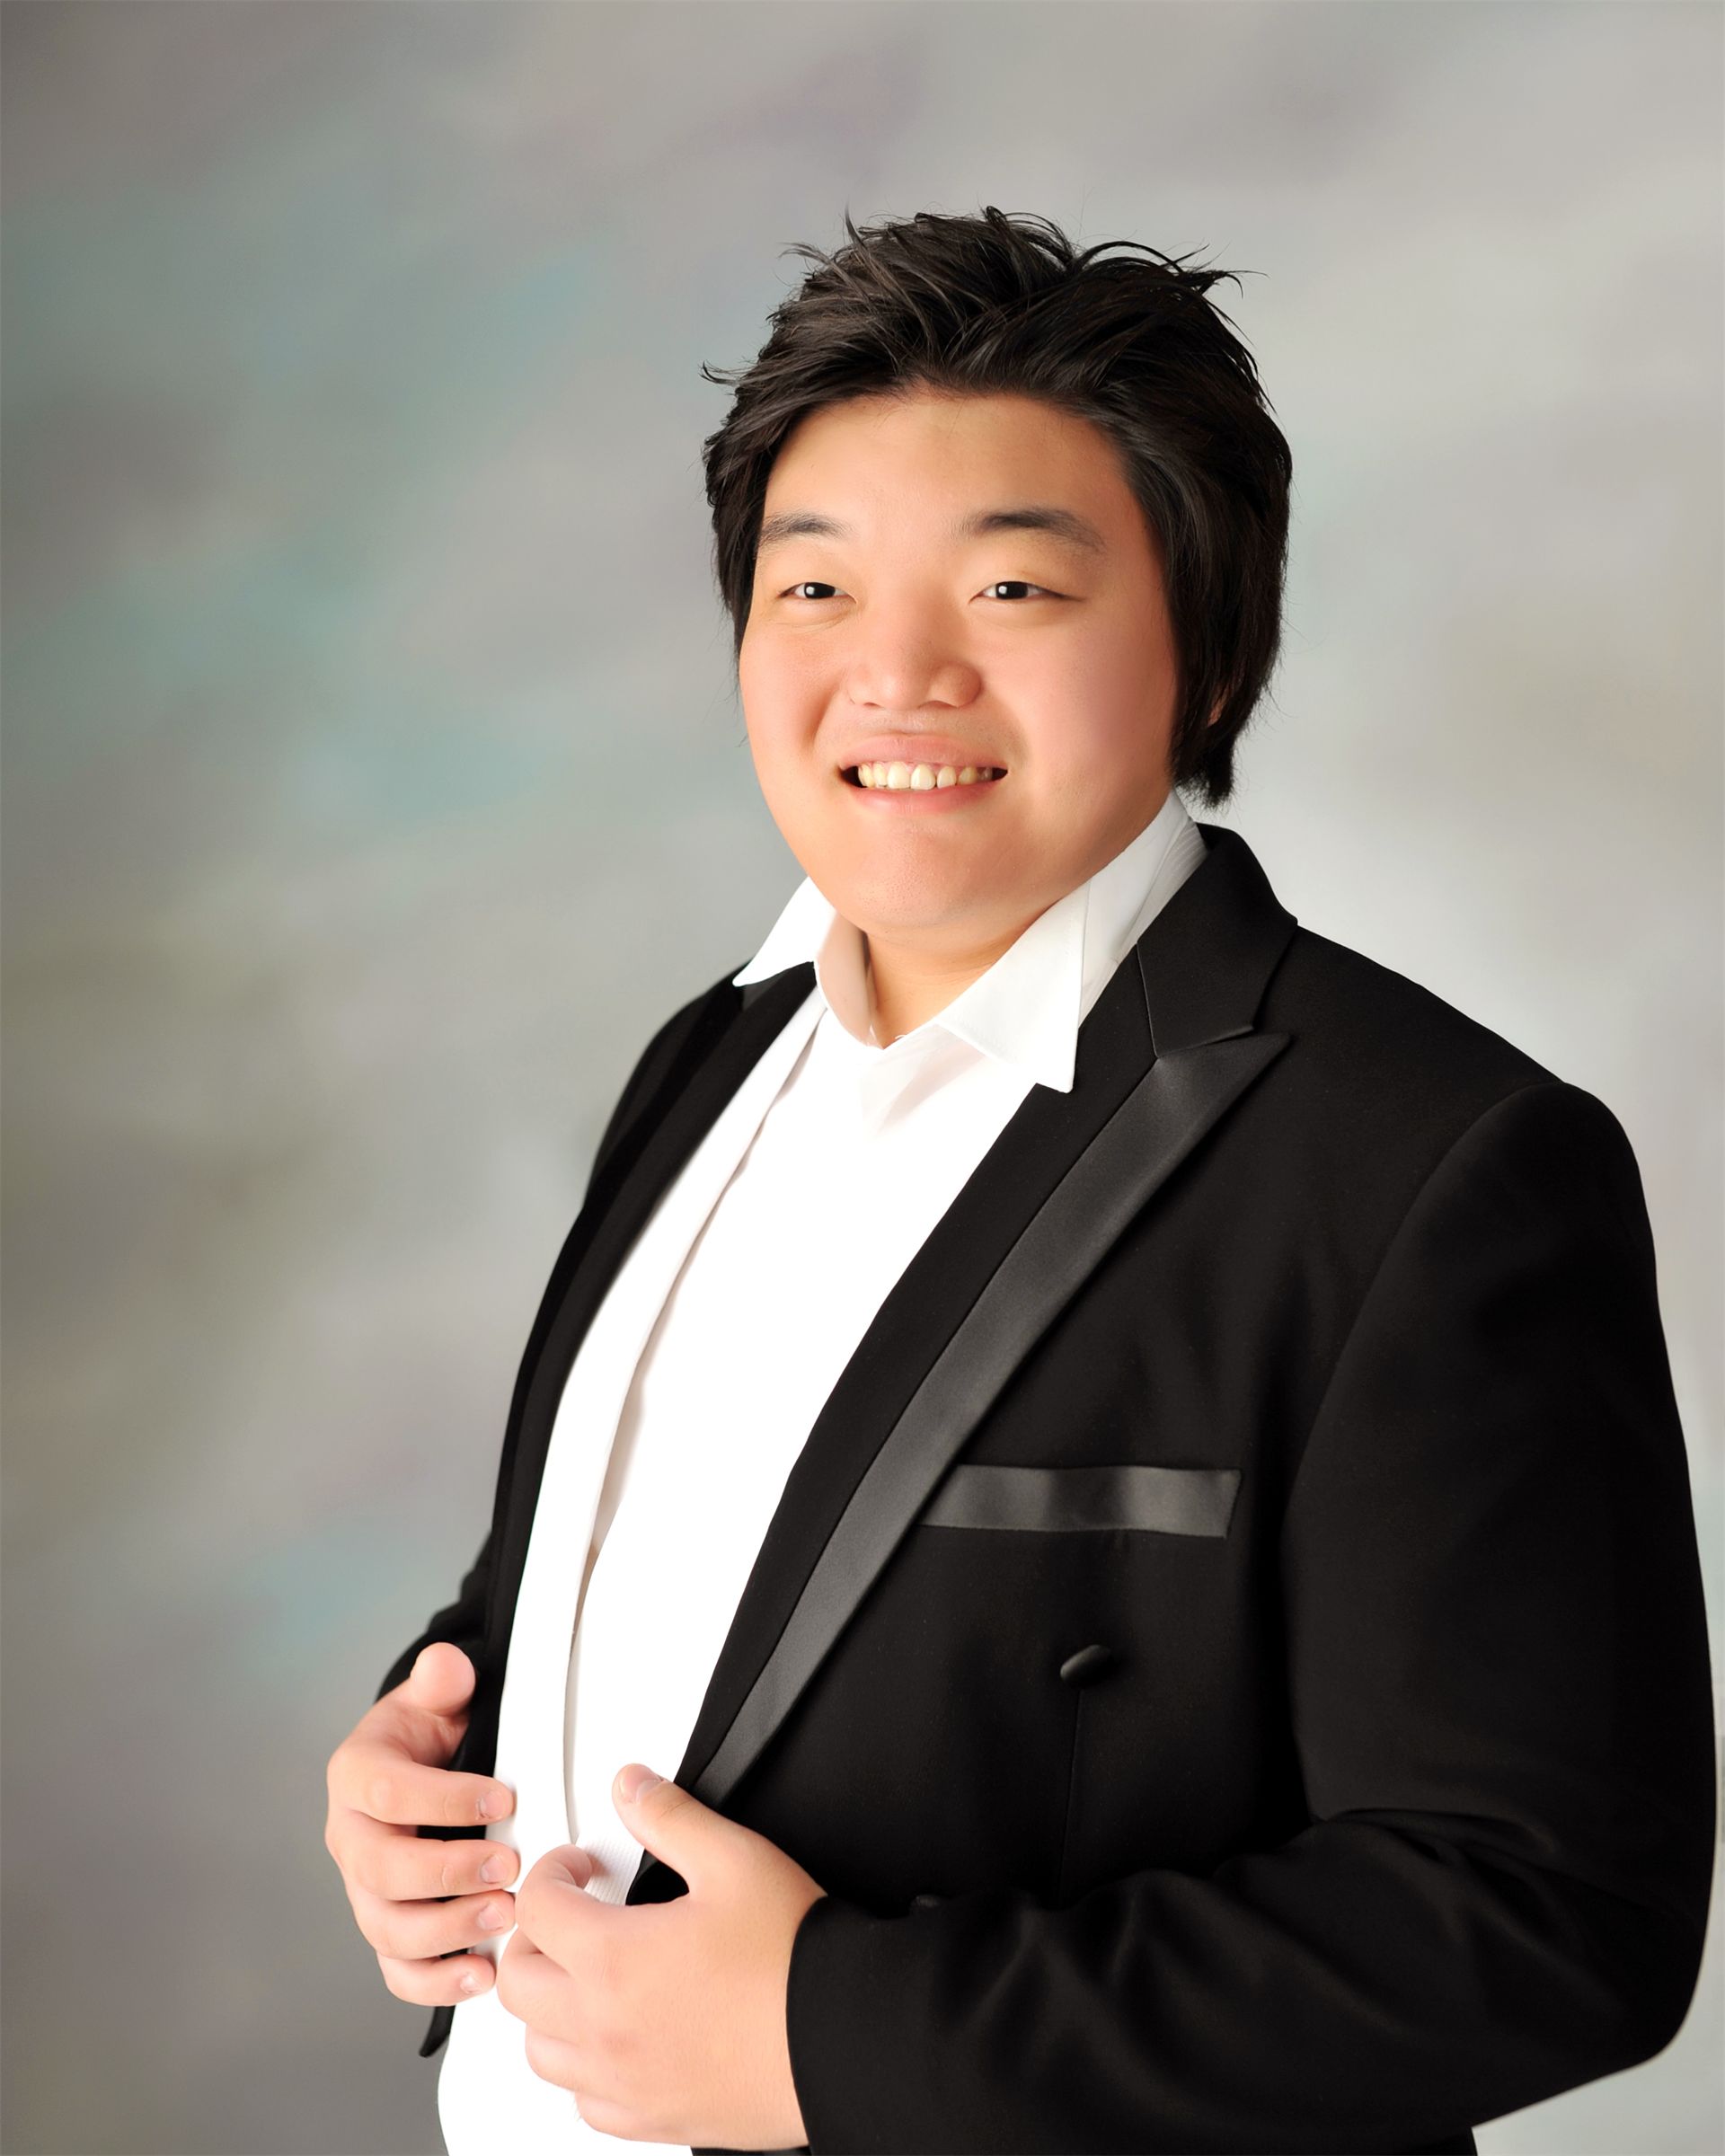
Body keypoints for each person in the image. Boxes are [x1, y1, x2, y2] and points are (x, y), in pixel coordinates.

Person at [323, 207, 1716, 2156]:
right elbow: (647, 1574)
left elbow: (1548, 1918)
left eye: (1010, 590)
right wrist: (430, 1754)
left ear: (1207, 653)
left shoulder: (1431, 1164)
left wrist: (834, 2037)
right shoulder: (706, 1063)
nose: (896, 676)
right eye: (816, 589)